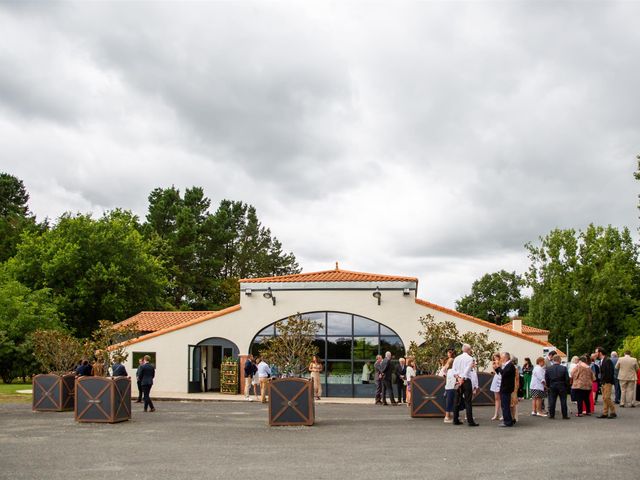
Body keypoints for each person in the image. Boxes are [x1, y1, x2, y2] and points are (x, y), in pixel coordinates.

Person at [452, 344, 478, 426]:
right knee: (468, 401)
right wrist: (462, 379)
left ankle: (455, 420)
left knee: (456, 400)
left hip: (458, 380)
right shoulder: (470, 358)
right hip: (466, 381)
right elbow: (467, 370)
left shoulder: (457, 358)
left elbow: (453, 369)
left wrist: (458, 378)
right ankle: (470, 421)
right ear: (468, 350)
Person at [545, 354, 570, 419]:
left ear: (553, 360)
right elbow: (567, 379)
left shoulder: (549, 369)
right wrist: (567, 386)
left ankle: (552, 415)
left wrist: (548, 386)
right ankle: (564, 415)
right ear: (559, 360)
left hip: (552, 385)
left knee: (552, 401)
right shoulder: (564, 368)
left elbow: (546, 379)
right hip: (562, 385)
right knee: (563, 401)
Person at [495, 352, 515, 427]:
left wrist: (498, 367)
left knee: (505, 405)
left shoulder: (510, 365)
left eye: (502, 357)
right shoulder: (507, 365)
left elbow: (503, 373)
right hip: (505, 387)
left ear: (506, 357)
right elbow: (501, 373)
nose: (501, 359)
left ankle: (507, 421)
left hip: (506, 388)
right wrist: (497, 368)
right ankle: (508, 420)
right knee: (505, 405)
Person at [595, 347, 616, 419]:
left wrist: (607, 381)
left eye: (596, 352)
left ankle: (613, 412)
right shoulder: (602, 360)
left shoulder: (607, 360)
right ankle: (605, 413)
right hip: (603, 382)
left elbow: (610, 372)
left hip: (607, 382)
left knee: (607, 397)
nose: (595, 353)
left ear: (600, 353)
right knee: (604, 398)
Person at [443, 356, 457, 423]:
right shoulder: (452, 371)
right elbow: (453, 380)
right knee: (450, 403)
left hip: (448, 388)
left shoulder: (448, 370)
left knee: (449, 402)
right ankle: (447, 417)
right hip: (452, 388)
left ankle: (449, 416)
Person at [489, 353, 502, 421]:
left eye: (496, 357)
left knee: (503, 398)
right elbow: (495, 372)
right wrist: (494, 366)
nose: (495, 358)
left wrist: (497, 364)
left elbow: (501, 371)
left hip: (501, 379)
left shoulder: (502, 362)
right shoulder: (494, 363)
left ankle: (503, 414)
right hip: (496, 378)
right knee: (496, 398)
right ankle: (496, 414)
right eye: (494, 357)